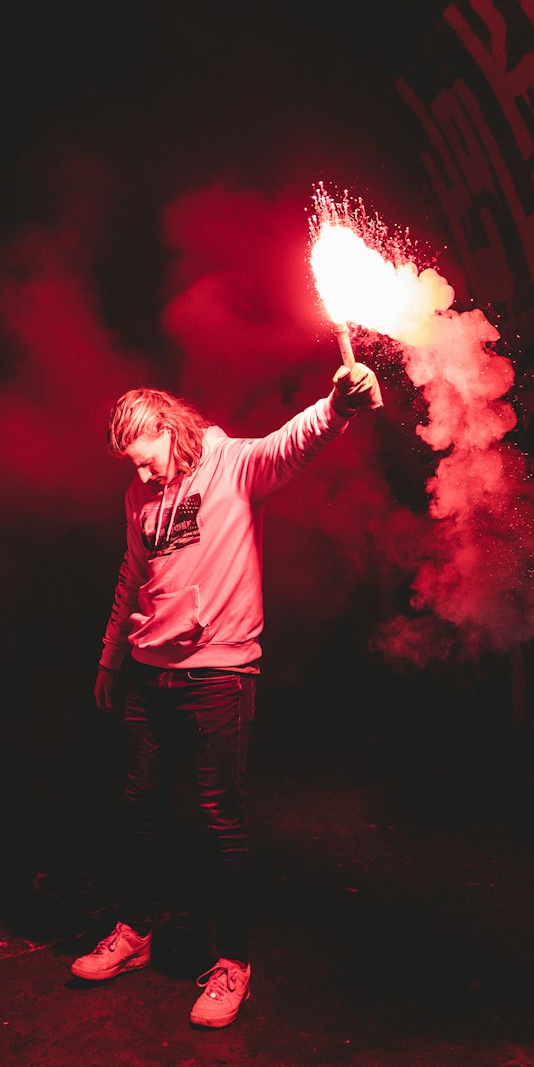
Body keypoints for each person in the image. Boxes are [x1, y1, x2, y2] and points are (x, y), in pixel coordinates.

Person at [70, 360, 383, 1027]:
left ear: (163, 425)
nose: (143, 474)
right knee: (138, 808)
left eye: (145, 458)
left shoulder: (233, 467)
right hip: (148, 672)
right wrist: (109, 659)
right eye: (133, 465)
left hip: (217, 674)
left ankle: (233, 963)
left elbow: (288, 445)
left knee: (220, 823)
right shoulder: (138, 495)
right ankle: (134, 934)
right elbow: (133, 573)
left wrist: (338, 405)